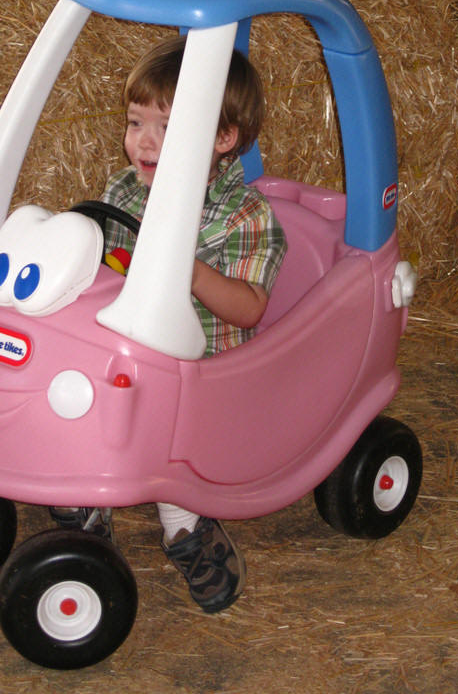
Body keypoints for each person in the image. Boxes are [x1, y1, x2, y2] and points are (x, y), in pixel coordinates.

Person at [53, 34, 286, 614]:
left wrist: (187, 270)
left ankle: (187, 527)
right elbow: (102, 265)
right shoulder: (123, 190)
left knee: (165, 437)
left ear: (222, 138)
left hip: (204, 372)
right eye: (136, 123)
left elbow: (250, 308)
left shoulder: (245, 216)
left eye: (167, 127)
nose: (145, 142)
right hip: (125, 353)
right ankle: (90, 501)